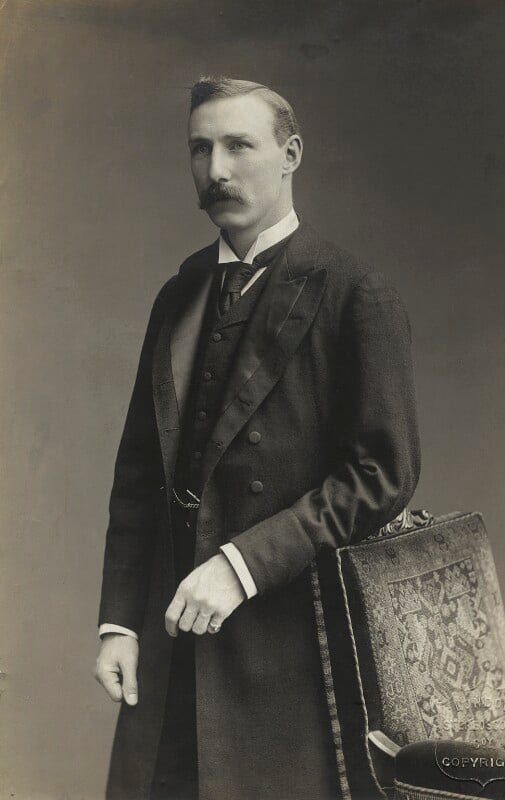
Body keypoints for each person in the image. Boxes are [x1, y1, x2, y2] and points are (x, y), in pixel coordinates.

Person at [94, 76, 421, 800]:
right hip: (172, 649)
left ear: (290, 154)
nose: (216, 170)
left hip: (289, 655)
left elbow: (382, 473)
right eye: (200, 149)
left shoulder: (353, 292)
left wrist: (241, 565)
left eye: (239, 145)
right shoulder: (179, 295)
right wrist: (119, 622)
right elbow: (139, 472)